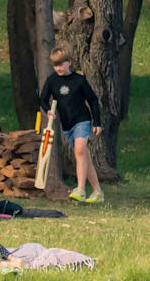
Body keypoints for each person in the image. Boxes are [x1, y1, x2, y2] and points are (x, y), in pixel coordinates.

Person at [37, 54, 105, 203]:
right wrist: (48, 110)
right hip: (67, 124)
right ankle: (98, 192)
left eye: (62, 64)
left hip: (82, 120)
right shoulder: (52, 80)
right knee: (83, 156)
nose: (59, 68)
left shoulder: (79, 80)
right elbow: (42, 99)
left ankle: (80, 189)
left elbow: (93, 100)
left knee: (79, 150)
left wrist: (97, 122)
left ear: (69, 62)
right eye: (56, 65)